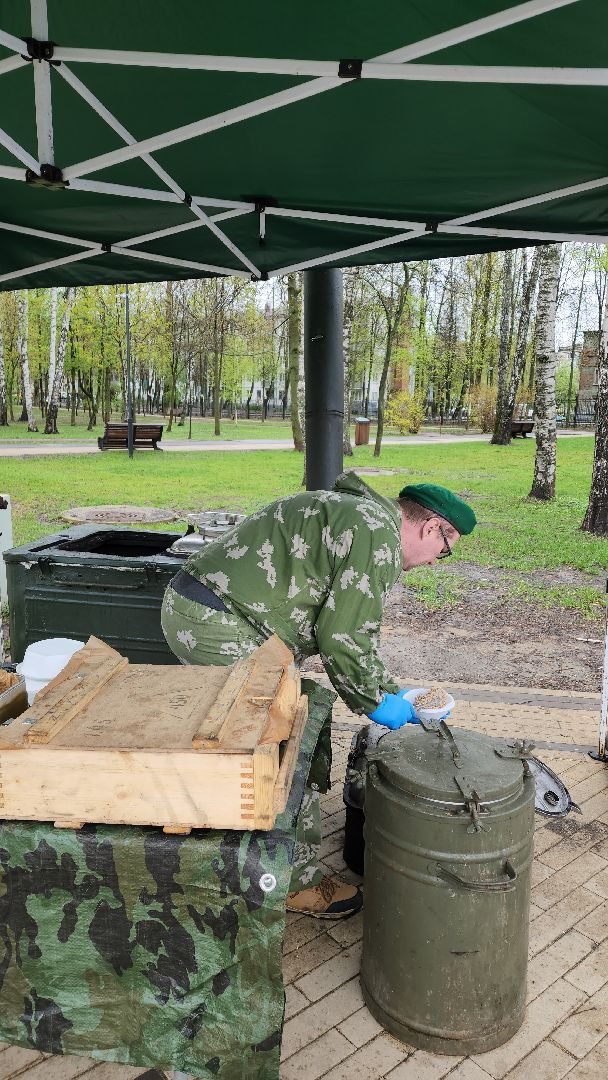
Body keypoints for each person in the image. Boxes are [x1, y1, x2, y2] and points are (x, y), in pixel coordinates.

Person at [161, 473, 476, 918]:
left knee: (281, 721)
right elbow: (344, 637)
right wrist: (377, 702)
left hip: (205, 608)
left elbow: (346, 629)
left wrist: (387, 688)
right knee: (291, 735)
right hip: (218, 623)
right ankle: (291, 882)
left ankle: (236, 827)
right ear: (431, 529)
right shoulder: (378, 538)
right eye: (445, 550)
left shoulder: (362, 515)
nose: (435, 561)